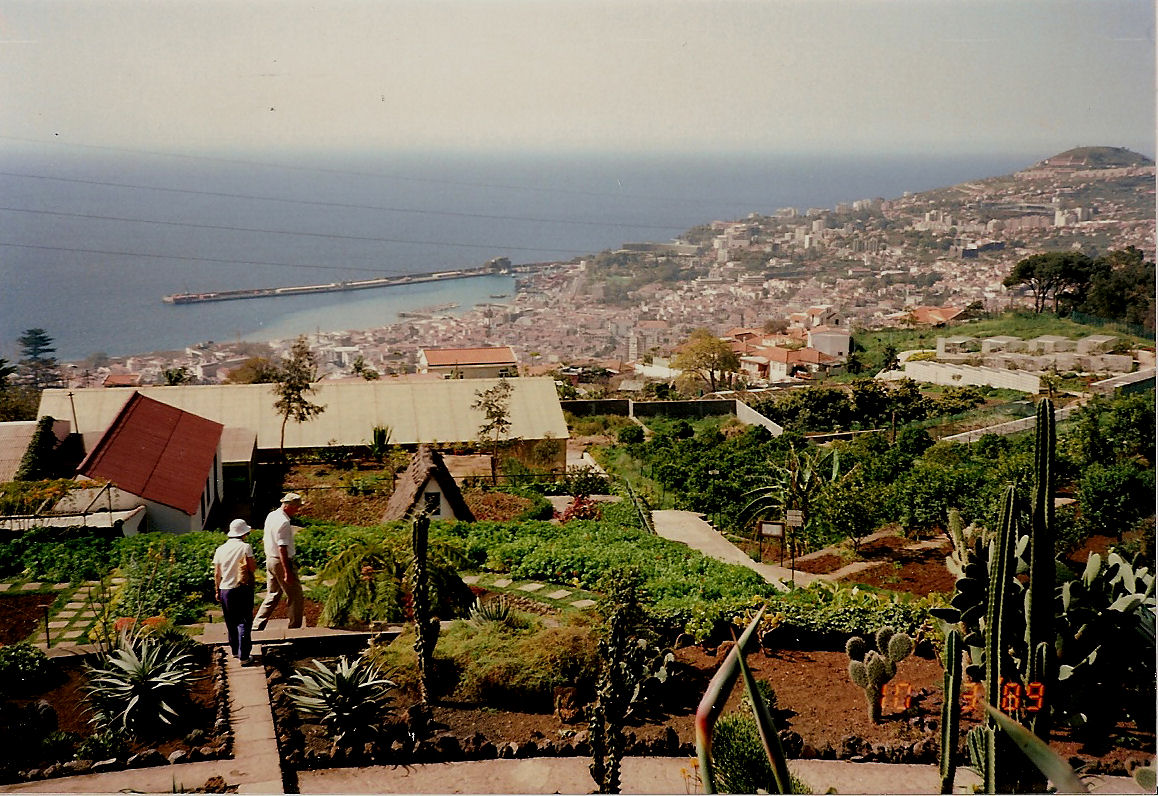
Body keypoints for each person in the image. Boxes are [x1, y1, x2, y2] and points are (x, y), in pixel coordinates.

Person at [253, 492, 304, 630]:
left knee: (273, 594)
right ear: (289, 506)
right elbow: (282, 547)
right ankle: (295, 627)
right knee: (296, 596)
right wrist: (287, 572)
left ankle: (257, 624)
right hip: (281, 561)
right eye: (296, 507)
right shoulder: (284, 522)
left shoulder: (272, 515)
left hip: (270, 559)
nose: (297, 510)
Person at [213, 519, 258, 665]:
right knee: (244, 621)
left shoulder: (220, 550)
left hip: (225, 589)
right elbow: (252, 568)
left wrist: (217, 590)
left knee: (231, 621)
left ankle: (235, 651)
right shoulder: (245, 547)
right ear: (243, 533)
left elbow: (217, 573)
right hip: (242, 588)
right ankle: (244, 656)